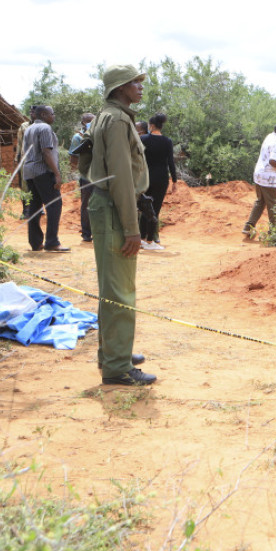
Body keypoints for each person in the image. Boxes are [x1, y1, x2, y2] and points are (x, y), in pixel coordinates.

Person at [89, 64, 154, 386]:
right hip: (115, 208)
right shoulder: (116, 120)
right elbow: (121, 177)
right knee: (119, 291)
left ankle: (114, 353)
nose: (140, 86)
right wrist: (132, 228)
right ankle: (117, 367)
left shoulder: (110, 116)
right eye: (134, 82)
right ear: (119, 88)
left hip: (108, 205)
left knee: (113, 288)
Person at [22, 105, 69, 252]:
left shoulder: (28, 128)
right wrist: (57, 174)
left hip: (29, 172)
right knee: (54, 204)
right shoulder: (45, 129)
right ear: (43, 114)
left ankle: (35, 242)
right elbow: (46, 153)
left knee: (35, 206)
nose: (53, 117)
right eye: (52, 114)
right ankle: (52, 242)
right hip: (43, 171)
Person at [243, 123, 276, 238]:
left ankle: (248, 227)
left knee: (260, 201)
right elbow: (272, 161)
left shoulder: (269, 137)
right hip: (269, 177)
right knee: (273, 204)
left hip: (259, 174)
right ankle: (274, 232)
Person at [139, 113, 178, 250]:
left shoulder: (143, 139)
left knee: (144, 207)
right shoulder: (167, 141)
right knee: (155, 208)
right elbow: (170, 162)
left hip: (145, 177)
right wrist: (174, 180)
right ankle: (150, 241)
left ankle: (142, 239)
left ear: (152, 125)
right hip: (161, 178)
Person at [69, 113, 96, 242]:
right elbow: (73, 157)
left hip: (100, 176)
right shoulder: (78, 137)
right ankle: (86, 233)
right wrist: (73, 173)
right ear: (83, 123)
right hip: (86, 176)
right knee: (86, 204)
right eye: (89, 121)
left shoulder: (99, 135)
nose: (91, 123)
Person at [15, 106, 38, 219]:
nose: (31, 114)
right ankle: (26, 210)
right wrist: (17, 158)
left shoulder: (43, 126)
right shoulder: (24, 126)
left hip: (39, 161)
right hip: (26, 160)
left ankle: (38, 209)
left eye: (34, 112)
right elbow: (19, 143)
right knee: (25, 185)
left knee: (38, 184)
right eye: (30, 112)